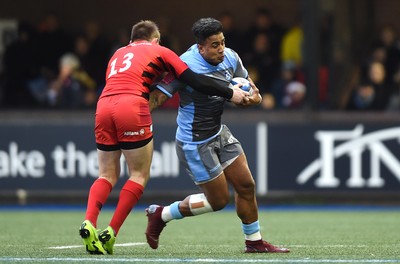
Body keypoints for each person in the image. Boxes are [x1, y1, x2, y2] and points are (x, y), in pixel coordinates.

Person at [78, 20, 248, 255]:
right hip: (132, 105)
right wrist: (231, 92)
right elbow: (195, 80)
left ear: (131, 39)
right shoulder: (161, 51)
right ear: (155, 39)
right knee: (138, 174)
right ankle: (111, 232)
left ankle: (89, 221)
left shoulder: (118, 53)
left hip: (104, 105)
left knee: (106, 173)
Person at [146, 17, 290, 253]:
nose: (221, 49)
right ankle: (161, 214)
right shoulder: (183, 65)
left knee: (246, 185)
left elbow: (252, 88)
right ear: (200, 47)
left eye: (222, 42)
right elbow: (157, 98)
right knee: (218, 201)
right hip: (194, 142)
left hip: (218, 132)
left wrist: (255, 98)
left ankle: (254, 242)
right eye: (214, 45)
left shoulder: (231, 57)